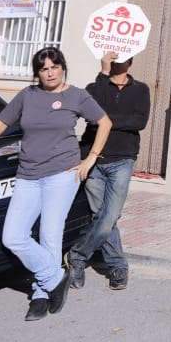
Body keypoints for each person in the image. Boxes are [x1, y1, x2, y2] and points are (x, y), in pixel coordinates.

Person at [0, 46, 112, 320]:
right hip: (28, 175)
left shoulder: (76, 95)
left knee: (49, 235)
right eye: (43, 69)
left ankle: (40, 294)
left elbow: (104, 122)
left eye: (54, 67)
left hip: (62, 173)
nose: (49, 72)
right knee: (14, 236)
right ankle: (56, 277)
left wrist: (90, 158)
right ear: (37, 73)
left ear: (62, 67)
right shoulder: (27, 96)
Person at [67, 51, 152, 291]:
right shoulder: (95, 86)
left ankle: (78, 255)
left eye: (122, 58)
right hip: (93, 160)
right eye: (112, 60)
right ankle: (117, 265)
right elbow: (88, 112)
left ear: (131, 61)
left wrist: (104, 119)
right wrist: (103, 73)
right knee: (101, 217)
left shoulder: (141, 89)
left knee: (110, 215)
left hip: (122, 159)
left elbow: (139, 121)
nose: (117, 62)